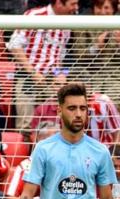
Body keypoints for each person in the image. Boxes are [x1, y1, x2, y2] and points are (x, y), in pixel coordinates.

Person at [7, 0, 78, 133]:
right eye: (72, 4)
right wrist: (33, 73)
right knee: (25, 126)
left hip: (52, 81)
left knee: (53, 124)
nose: (76, 8)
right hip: (27, 77)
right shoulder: (34, 16)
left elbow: (61, 56)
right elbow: (14, 46)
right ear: (59, 3)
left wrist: (61, 74)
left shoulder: (67, 24)